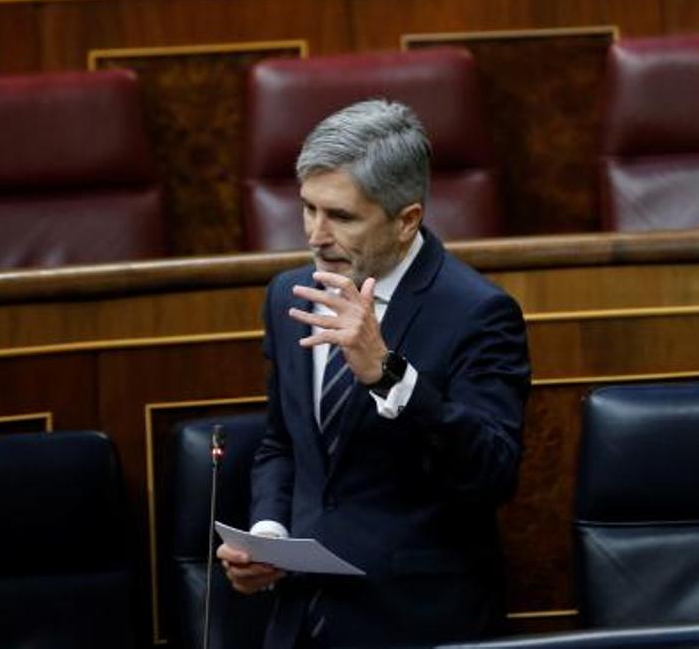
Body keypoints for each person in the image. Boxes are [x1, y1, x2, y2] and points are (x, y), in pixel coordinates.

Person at [216, 99, 530, 647]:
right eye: (308, 208)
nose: (315, 235)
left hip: (415, 622)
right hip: (300, 620)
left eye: (341, 217)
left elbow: (492, 474)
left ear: (407, 220)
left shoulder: (478, 312)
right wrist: (268, 535)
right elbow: (283, 443)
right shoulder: (289, 295)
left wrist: (389, 376)